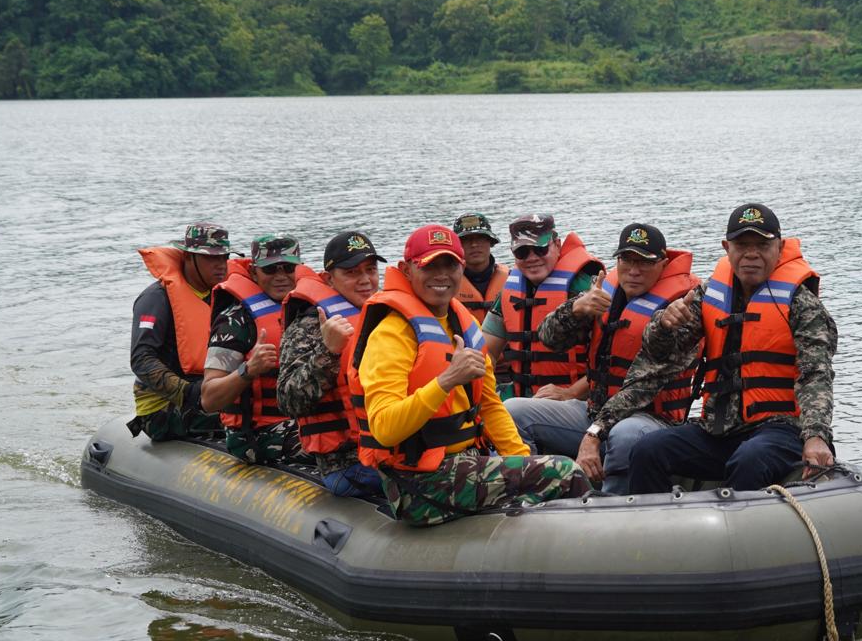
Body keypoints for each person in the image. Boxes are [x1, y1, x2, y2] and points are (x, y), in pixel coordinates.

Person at [351, 224, 591, 526]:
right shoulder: (391, 334)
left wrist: (520, 457)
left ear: (461, 267)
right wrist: (446, 381)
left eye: (450, 264)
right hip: (419, 483)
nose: (442, 275)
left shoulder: (461, 325)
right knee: (565, 472)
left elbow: (490, 405)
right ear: (406, 269)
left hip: (465, 462)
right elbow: (384, 428)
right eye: (430, 266)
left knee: (539, 466)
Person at [622, 204, 838, 493]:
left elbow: (816, 375)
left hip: (782, 430)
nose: (751, 254)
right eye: (741, 245)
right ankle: (653, 530)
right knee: (648, 450)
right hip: (718, 431)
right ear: (727, 248)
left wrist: (816, 435)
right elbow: (661, 353)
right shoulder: (707, 296)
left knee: (748, 460)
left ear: (780, 247)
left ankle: (739, 534)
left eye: (762, 245)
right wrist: (663, 325)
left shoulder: (802, 306)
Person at [505, 224, 700, 494]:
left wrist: (594, 434)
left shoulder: (683, 308)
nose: (634, 270)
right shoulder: (605, 291)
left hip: (653, 421)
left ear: (663, 264)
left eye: (644, 262)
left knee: (625, 433)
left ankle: (611, 507)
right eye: (627, 260)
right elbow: (549, 339)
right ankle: (535, 495)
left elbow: (640, 388)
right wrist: (576, 309)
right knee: (513, 411)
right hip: (594, 414)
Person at [277, 231, 386, 498]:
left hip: (391, 449)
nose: (365, 280)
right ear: (328, 279)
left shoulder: (386, 316)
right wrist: (329, 351)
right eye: (351, 272)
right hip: (349, 465)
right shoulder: (308, 326)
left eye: (370, 270)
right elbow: (288, 400)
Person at [202, 235, 313, 464]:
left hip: (306, 419)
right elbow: (209, 398)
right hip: (258, 433)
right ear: (253, 272)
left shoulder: (312, 311)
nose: (281, 277)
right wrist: (249, 370)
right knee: (327, 445)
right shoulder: (234, 321)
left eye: (288, 268)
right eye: (270, 269)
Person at [481, 214, 605, 400]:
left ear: (557, 245)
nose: (531, 258)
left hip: (575, 401)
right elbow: (487, 350)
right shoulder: (510, 291)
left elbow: (610, 363)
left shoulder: (587, 288)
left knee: (514, 410)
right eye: (522, 252)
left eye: (540, 249)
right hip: (520, 396)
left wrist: (570, 393)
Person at [127, 222, 230, 441]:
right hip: (163, 407)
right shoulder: (156, 299)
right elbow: (141, 359)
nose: (221, 265)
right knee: (240, 417)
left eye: (224, 257)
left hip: (214, 393)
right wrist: (190, 393)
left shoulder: (225, 296)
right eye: (211, 258)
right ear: (188, 258)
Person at [452, 212, 509, 324]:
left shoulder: (512, 279)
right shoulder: (447, 284)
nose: (474, 244)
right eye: (466, 239)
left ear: (491, 242)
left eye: (480, 238)